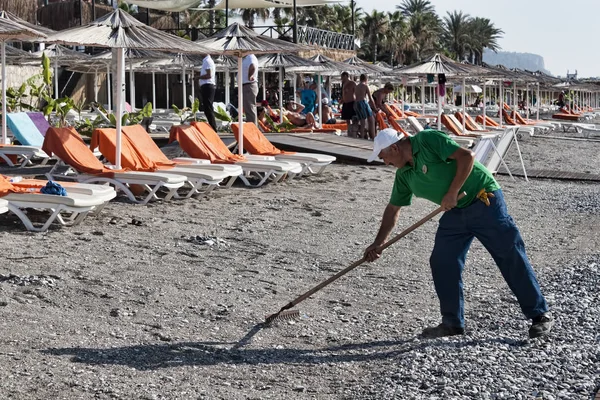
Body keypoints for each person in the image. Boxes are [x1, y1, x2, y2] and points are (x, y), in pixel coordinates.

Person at [363, 128, 553, 339]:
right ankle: (452, 323)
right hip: (455, 213)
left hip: (484, 199)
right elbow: (392, 210)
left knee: (509, 254)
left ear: (395, 148)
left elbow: (467, 156)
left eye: (384, 157)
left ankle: (539, 315)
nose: (385, 163)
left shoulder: (427, 140)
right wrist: (378, 243)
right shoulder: (404, 175)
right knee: (443, 261)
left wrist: (452, 192)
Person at [354, 74, 376, 140]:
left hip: (356, 104)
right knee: (369, 120)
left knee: (362, 120)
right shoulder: (365, 86)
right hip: (362, 103)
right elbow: (370, 98)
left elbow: (355, 96)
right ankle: (368, 136)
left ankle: (363, 136)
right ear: (366, 79)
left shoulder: (356, 86)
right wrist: (374, 108)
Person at [198, 54, 217, 131]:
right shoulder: (205, 61)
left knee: (208, 107)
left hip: (208, 86)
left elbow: (209, 75)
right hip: (206, 86)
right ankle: (212, 126)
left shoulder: (208, 61)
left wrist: (198, 77)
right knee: (207, 107)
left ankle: (213, 127)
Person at [242, 54, 259, 124]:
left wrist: (250, 75)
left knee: (250, 108)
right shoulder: (248, 58)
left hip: (249, 85)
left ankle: (252, 127)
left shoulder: (250, 57)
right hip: (248, 85)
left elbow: (253, 66)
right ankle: (252, 125)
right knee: (248, 108)